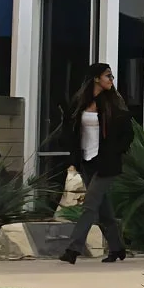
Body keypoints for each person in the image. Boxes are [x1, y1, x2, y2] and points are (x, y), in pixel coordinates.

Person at [57, 62, 131, 264]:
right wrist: (73, 157)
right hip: (86, 161)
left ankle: (73, 249)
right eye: (108, 76)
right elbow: (70, 130)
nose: (111, 79)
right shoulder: (80, 103)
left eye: (112, 76)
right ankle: (117, 248)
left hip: (106, 163)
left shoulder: (113, 103)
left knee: (89, 205)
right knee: (103, 209)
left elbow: (127, 133)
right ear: (96, 78)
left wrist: (115, 151)